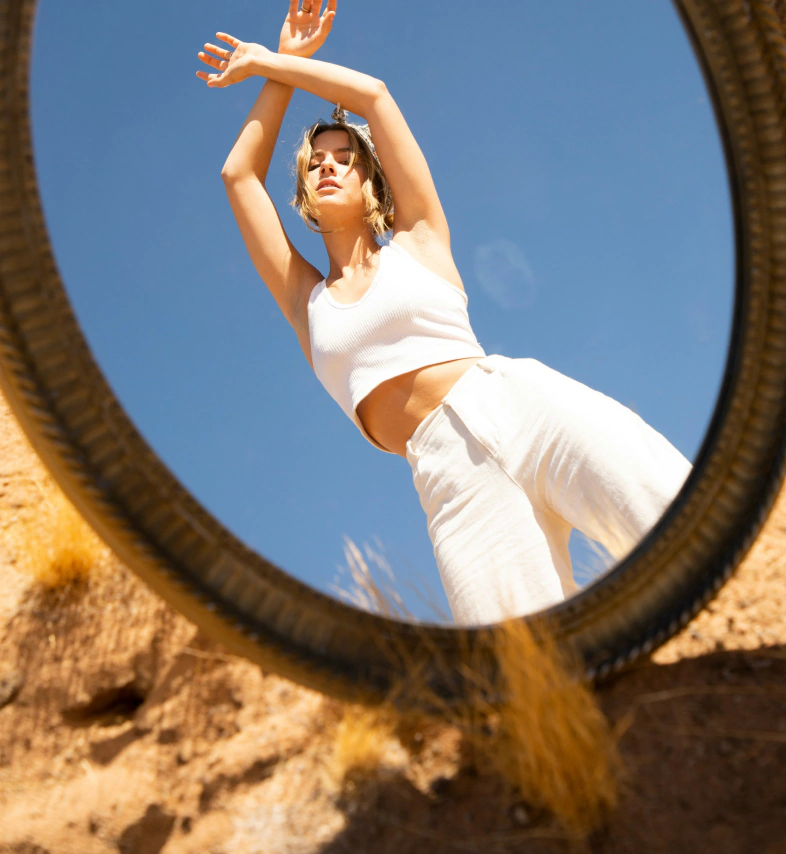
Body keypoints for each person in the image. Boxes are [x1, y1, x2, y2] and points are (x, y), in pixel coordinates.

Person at [196, 0, 691, 626]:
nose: (327, 164)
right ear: (304, 197)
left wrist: (277, 59)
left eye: (344, 157)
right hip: (447, 475)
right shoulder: (306, 301)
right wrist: (277, 73)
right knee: (524, 657)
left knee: (677, 519)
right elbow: (239, 175)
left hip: (522, 405)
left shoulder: (420, 238)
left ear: (371, 183)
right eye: (315, 161)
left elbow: (374, 96)